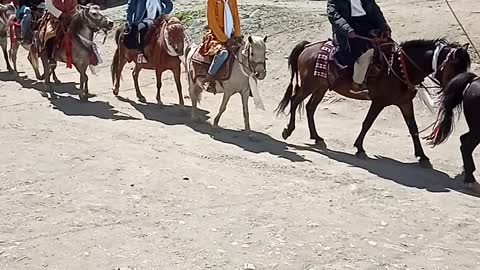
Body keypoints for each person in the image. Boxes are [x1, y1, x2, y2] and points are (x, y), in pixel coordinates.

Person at [327, 0, 391, 94]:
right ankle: (357, 83)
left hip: (368, 26)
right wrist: (347, 29)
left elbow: (375, 12)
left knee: (388, 47)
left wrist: (384, 28)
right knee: (365, 54)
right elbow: (333, 15)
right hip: (348, 29)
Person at [200, 0, 242, 94]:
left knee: (245, 51)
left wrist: (237, 35)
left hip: (232, 35)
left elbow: (236, 16)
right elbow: (212, 23)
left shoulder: (232, 1)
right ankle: (210, 77)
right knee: (223, 54)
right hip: (216, 36)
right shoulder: (211, 1)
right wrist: (224, 39)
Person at [42, 0, 78, 65]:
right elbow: (49, 5)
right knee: (50, 33)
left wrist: (71, 14)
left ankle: (91, 53)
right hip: (56, 18)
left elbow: (74, 4)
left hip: (71, 16)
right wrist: (60, 14)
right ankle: (51, 57)